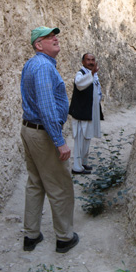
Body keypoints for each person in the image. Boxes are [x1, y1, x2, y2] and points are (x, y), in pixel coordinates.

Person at [20, 26, 79, 253]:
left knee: (35, 183)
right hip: (43, 134)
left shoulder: (32, 64)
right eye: (49, 37)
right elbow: (46, 108)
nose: (55, 39)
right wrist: (59, 141)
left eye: (55, 35)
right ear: (38, 45)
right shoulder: (44, 66)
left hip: (29, 130)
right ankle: (64, 238)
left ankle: (30, 236)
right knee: (60, 186)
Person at [69, 53, 104, 175]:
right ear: (83, 62)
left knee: (87, 138)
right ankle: (77, 168)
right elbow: (79, 85)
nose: (91, 62)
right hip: (81, 112)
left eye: (93, 60)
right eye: (88, 60)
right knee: (79, 139)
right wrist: (92, 74)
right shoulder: (81, 74)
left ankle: (83, 163)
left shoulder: (94, 75)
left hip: (90, 112)